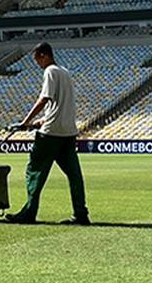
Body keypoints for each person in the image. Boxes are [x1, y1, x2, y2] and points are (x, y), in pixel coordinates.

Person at [6, 42, 90, 225]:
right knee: (74, 174)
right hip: (68, 132)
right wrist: (36, 123)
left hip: (50, 135)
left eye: (37, 59)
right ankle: (81, 213)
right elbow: (58, 107)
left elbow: (45, 99)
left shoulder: (50, 71)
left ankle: (29, 212)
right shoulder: (65, 72)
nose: (38, 64)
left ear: (44, 55)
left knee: (34, 172)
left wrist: (25, 122)